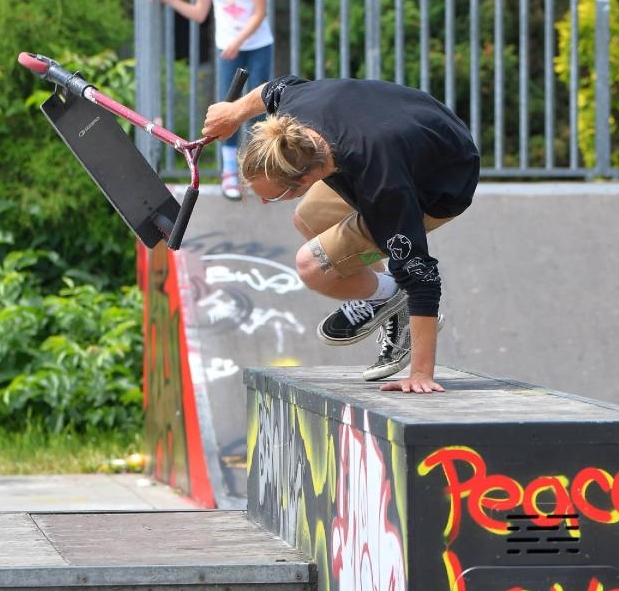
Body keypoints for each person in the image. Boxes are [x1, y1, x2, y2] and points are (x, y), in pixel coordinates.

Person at [203, 74, 480, 393]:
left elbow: (422, 274)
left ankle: (394, 297)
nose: (265, 202)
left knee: (312, 267)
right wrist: (234, 112)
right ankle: (388, 297)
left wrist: (420, 373)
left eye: (274, 196)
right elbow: (272, 89)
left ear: (304, 180)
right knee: (308, 218)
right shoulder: (294, 108)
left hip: (440, 181)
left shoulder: (382, 186)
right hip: (419, 127)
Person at [151, 0, 275, 199]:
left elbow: (259, 13)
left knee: (260, 106)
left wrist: (238, 41)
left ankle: (263, 170)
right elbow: (199, 12)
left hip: (257, 44)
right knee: (226, 106)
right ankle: (229, 171)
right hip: (227, 48)